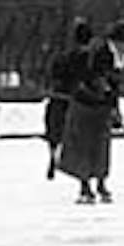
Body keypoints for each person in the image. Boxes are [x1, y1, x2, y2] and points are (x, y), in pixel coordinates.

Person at [57, 20, 124, 204]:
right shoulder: (98, 52)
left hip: (101, 107)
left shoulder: (116, 55)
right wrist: (102, 89)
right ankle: (85, 186)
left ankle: (101, 184)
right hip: (85, 105)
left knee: (101, 146)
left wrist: (114, 106)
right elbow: (91, 76)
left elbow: (114, 84)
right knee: (84, 147)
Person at [42, 42, 74, 181]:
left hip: (57, 99)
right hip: (69, 100)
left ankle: (54, 155)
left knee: (54, 131)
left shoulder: (57, 60)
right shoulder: (77, 61)